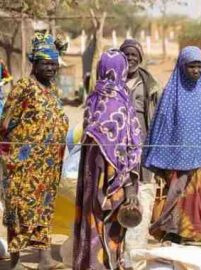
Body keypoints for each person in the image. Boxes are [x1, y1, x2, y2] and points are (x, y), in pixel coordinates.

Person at [143, 46, 201, 251]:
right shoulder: (171, 93)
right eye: (191, 66)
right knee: (179, 197)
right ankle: (178, 234)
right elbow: (162, 124)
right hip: (177, 158)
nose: (196, 71)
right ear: (182, 66)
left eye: (199, 66)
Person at [0, 32, 68, 270]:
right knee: (22, 208)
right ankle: (17, 258)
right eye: (45, 63)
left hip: (49, 167)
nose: (51, 68)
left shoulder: (52, 90)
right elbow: (6, 124)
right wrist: (13, 157)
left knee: (44, 210)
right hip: (25, 166)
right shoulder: (24, 87)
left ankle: (45, 258)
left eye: (54, 64)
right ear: (35, 63)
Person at [72, 49, 142, 270]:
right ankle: (106, 264)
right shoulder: (121, 101)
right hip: (113, 177)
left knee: (93, 221)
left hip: (92, 174)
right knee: (110, 224)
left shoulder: (93, 99)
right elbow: (132, 141)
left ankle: (90, 263)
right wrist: (127, 182)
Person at [119, 38, 163, 266]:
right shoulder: (111, 80)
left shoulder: (149, 85)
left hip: (142, 148)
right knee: (118, 195)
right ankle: (116, 253)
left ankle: (135, 255)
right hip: (116, 150)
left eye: (134, 54)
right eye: (126, 54)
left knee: (143, 194)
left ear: (141, 57)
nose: (131, 58)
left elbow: (155, 120)